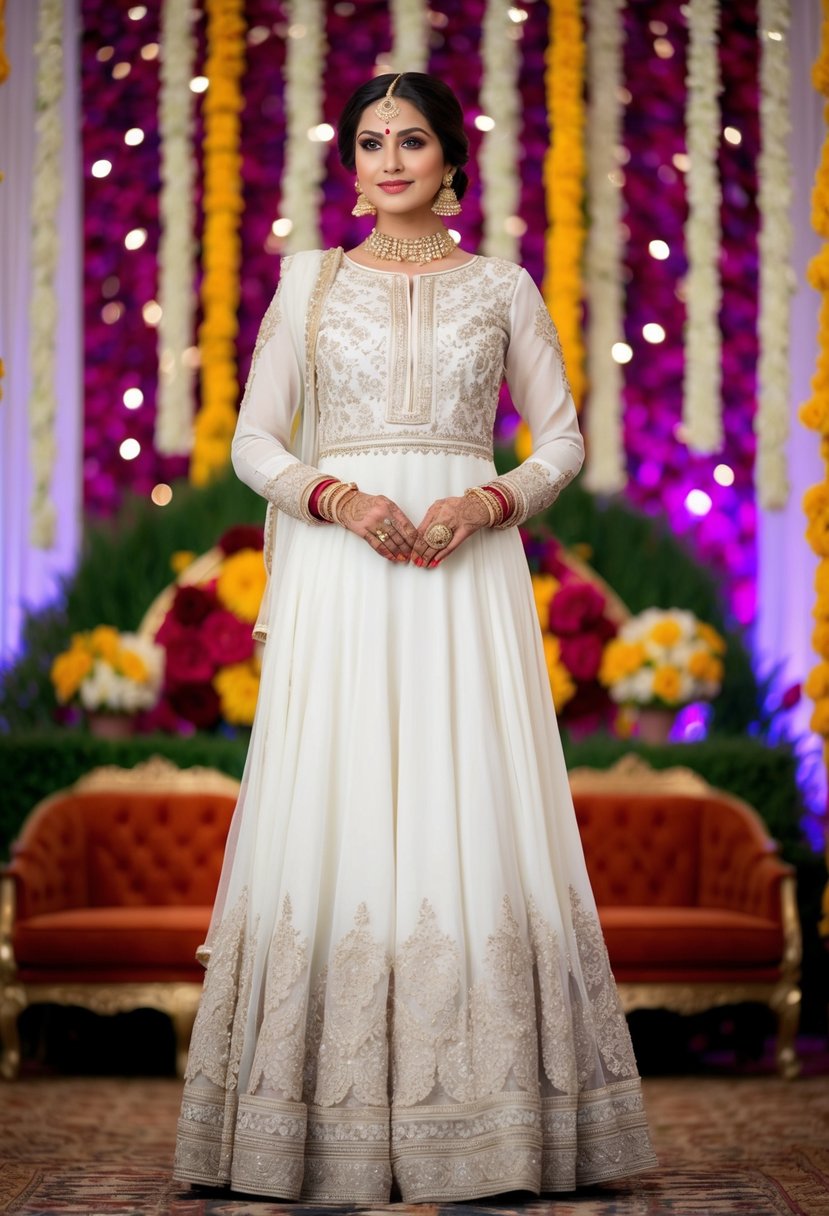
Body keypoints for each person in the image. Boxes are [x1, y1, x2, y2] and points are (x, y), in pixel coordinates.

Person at [173, 71, 656, 1203]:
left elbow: (565, 440)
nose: (390, 160)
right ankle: (304, 1129)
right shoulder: (306, 284)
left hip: (463, 575)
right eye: (371, 142)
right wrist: (337, 499)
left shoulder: (500, 286)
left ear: (450, 161)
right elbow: (252, 440)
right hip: (345, 576)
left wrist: (485, 504)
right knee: (336, 798)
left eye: (414, 140)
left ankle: (494, 1124)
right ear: (351, 164)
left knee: (464, 797)